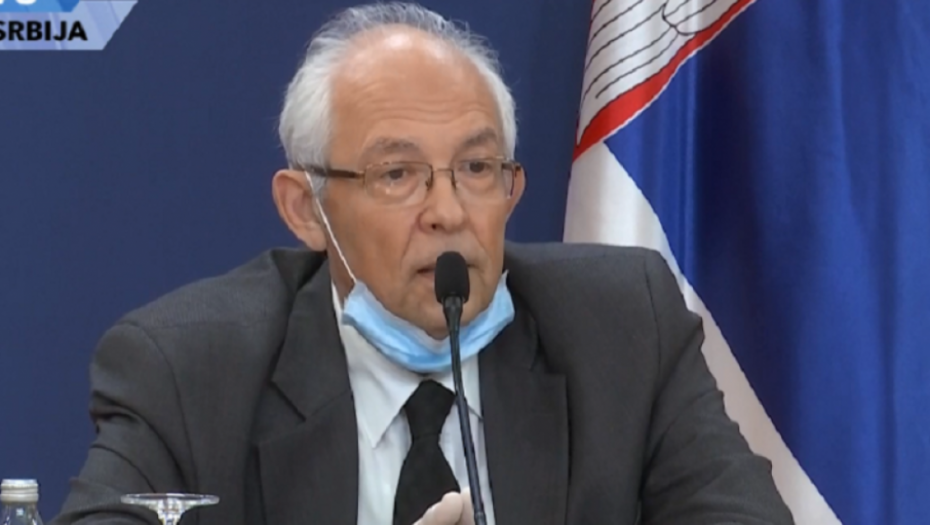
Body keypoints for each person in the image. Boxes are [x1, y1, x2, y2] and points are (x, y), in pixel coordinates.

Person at [52, 3, 793, 525]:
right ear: (306, 210)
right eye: (398, 174)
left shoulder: (624, 331)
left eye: (475, 168)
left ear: (511, 190)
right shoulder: (192, 369)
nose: (447, 211)